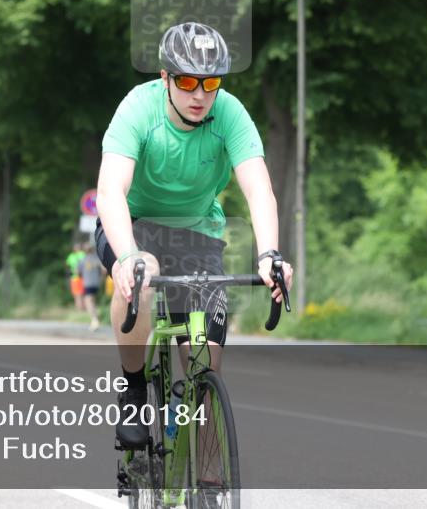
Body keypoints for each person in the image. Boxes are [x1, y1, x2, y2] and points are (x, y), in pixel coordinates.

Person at [95, 22, 293, 456]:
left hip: (196, 232)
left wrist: (269, 254)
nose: (200, 94)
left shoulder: (231, 114)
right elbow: (111, 192)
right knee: (142, 276)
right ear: (165, 78)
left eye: (211, 83)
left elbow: (259, 188)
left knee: (205, 364)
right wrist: (127, 256)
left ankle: (207, 484)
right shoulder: (137, 110)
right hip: (134, 223)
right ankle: (132, 389)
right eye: (186, 81)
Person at [78, 244, 104, 331]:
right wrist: (101, 278)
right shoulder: (97, 259)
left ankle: (94, 320)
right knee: (93, 301)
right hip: (96, 283)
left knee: (88, 301)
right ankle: (95, 318)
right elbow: (104, 270)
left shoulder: (82, 260)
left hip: (88, 283)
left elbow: (78, 272)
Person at [65, 244, 86, 311]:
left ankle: (79, 308)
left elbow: (67, 265)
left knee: (77, 294)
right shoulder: (83, 254)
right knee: (83, 293)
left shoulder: (71, 256)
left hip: (74, 277)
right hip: (83, 277)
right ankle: (83, 307)